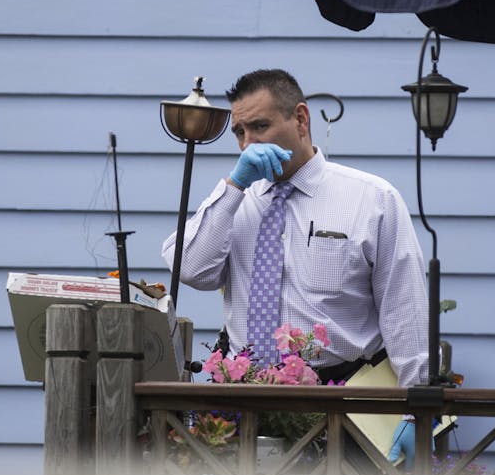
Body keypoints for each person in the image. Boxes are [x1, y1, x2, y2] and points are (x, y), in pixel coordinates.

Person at [161, 67, 430, 400]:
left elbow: (404, 309)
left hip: (340, 399)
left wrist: (415, 406)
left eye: (260, 126)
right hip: (243, 397)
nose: (248, 145)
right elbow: (190, 270)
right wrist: (234, 186)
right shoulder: (235, 201)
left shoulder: (372, 198)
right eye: (239, 132)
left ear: (301, 119)